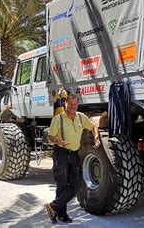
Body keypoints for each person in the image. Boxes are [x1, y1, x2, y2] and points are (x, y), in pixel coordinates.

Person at [45, 94, 100, 223]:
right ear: (65, 103)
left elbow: (93, 127)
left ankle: (53, 206)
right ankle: (61, 214)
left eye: (75, 105)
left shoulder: (81, 117)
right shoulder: (58, 119)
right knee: (62, 184)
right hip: (61, 154)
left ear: (77, 104)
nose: (72, 107)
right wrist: (57, 140)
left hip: (74, 154)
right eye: (70, 104)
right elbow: (50, 137)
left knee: (76, 184)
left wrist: (96, 137)